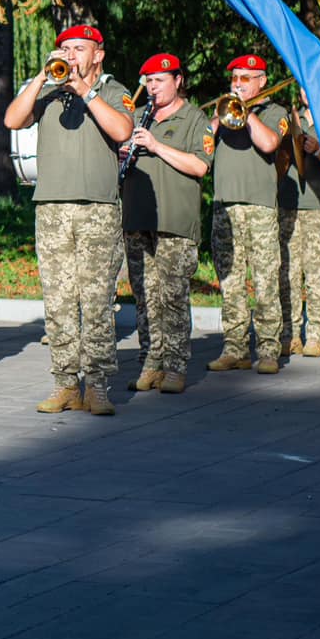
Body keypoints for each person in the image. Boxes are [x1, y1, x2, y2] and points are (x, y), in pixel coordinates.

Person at [4, 24, 134, 415]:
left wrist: (86, 92)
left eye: (79, 49)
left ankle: (96, 385)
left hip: (97, 209)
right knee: (58, 301)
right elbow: (12, 120)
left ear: (99, 54)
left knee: (96, 302)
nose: (71, 56)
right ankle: (64, 383)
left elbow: (123, 130)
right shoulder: (49, 91)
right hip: (52, 207)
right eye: (65, 49)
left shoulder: (114, 90)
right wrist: (43, 76)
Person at [119, 53, 210, 395]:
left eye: (159, 80)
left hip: (174, 220)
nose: (153, 88)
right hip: (138, 217)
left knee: (172, 296)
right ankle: (150, 362)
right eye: (149, 82)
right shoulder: (140, 117)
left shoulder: (193, 119)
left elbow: (200, 166)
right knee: (145, 297)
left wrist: (156, 146)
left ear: (178, 80)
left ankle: (175, 366)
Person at [207, 53, 289, 375]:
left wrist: (247, 113)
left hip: (259, 206)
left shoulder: (275, 112)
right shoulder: (224, 110)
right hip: (224, 205)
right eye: (235, 79)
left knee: (266, 278)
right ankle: (234, 348)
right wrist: (220, 115)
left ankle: (268, 349)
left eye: (245, 79)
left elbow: (269, 144)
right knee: (230, 281)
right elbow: (205, 144)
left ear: (261, 81)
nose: (238, 84)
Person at [279, 102, 320, 358]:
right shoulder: (290, 118)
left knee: (316, 274)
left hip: (318, 206)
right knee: (287, 273)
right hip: (289, 206)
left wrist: (319, 150)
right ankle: (290, 335)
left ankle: (316, 335)